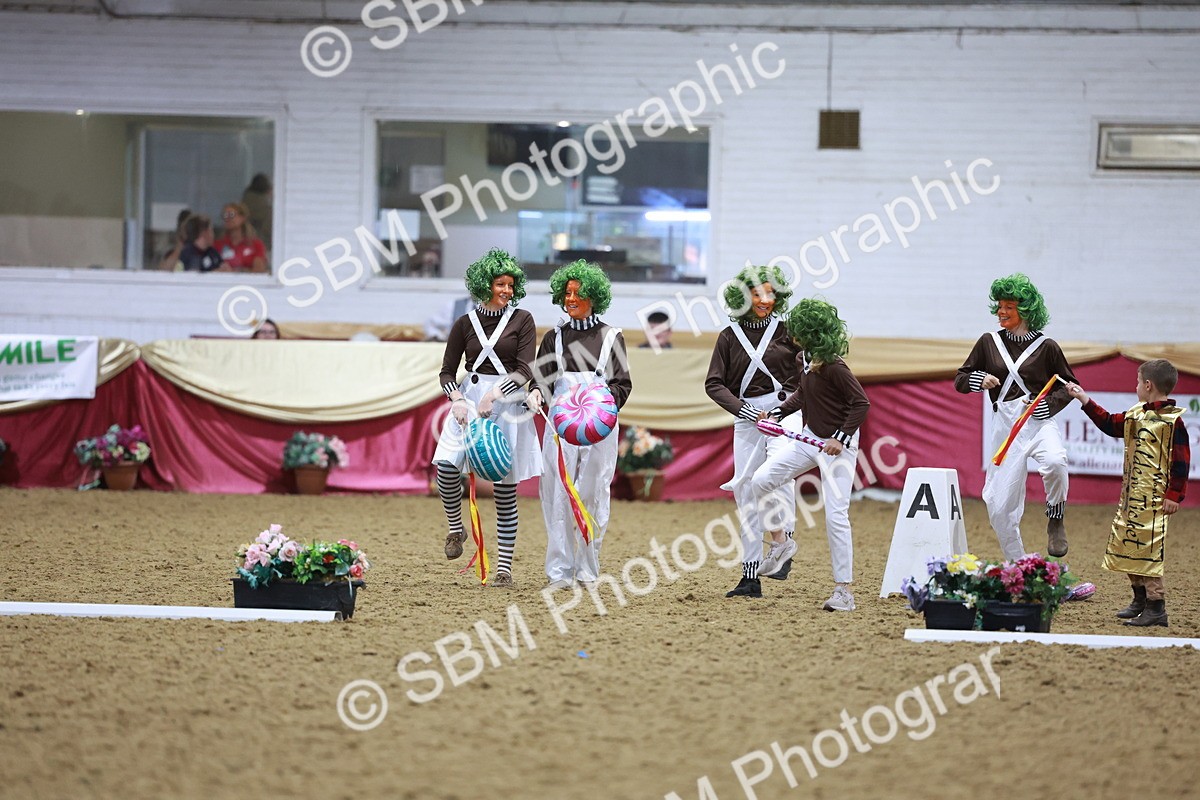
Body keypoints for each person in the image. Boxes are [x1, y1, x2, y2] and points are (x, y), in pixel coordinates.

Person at [749, 298, 869, 611]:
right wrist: (776, 412)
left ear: (811, 332)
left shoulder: (834, 366)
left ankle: (844, 591)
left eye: (797, 329)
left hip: (836, 448)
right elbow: (803, 395)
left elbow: (861, 404)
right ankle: (780, 542)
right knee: (761, 480)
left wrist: (840, 438)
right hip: (809, 439)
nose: (791, 334)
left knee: (835, 515)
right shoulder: (806, 358)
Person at [431, 249, 541, 588]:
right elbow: (448, 371)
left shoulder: (523, 320)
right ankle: (455, 527)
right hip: (470, 399)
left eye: (510, 285)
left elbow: (525, 368)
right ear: (484, 285)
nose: (506, 291)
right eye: (499, 284)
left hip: (508, 403)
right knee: (446, 466)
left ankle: (504, 567)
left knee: (504, 488)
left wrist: (495, 395)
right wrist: (458, 400)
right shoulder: (464, 324)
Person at [955, 274, 1078, 560]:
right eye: (999, 306)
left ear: (1026, 310)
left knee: (1056, 461)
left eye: (1009, 306)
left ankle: (1055, 517)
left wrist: (1050, 404)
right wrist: (978, 378)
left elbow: (1068, 386)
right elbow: (960, 379)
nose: (1001, 312)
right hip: (1005, 426)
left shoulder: (1047, 347)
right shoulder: (989, 342)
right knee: (998, 505)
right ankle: (1018, 562)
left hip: (1037, 421)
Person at [530, 260, 632, 589]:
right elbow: (541, 381)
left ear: (594, 296)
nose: (571, 298)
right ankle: (559, 572)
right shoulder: (553, 338)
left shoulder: (612, 336)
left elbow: (622, 384)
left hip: (598, 429)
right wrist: (534, 394)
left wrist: (600, 408)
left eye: (578, 292)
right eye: (567, 292)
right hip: (560, 429)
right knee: (557, 494)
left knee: (593, 494)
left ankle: (588, 569)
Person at [1065, 360, 1190, 627]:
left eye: (1137, 383)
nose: (1135, 387)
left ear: (1148, 385)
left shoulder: (1172, 421)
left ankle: (1157, 606)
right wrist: (1083, 399)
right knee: (1128, 544)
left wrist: (1174, 494)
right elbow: (1110, 424)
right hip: (1132, 499)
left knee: (1148, 549)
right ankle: (1140, 599)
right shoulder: (1137, 414)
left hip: (1155, 501)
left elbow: (1181, 461)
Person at [704, 265, 800, 599]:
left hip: (783, 415)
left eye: (769, 293)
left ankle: (783, 541)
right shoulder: (728, 337)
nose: (763, 300)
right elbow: (713, 384)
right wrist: (746, 411)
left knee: (776, 477)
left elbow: (801, 379)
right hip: (746, 417)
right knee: (745, 490)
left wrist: (780, 410)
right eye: (756, 294)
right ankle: (750, 576)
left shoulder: (788, 332)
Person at [214, 202, 268, 273]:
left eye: (231, 215)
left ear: (242, 218)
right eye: (225, 215)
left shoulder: (255, 244)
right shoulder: (217, 245)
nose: (228, 218)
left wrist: (233, 271)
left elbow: (259, 271)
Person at [242, 172, 273, 244]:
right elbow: (269, 231)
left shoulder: (244, 203)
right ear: (268, 190)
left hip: (244, 242)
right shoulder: (266, 209)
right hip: (260, 245)